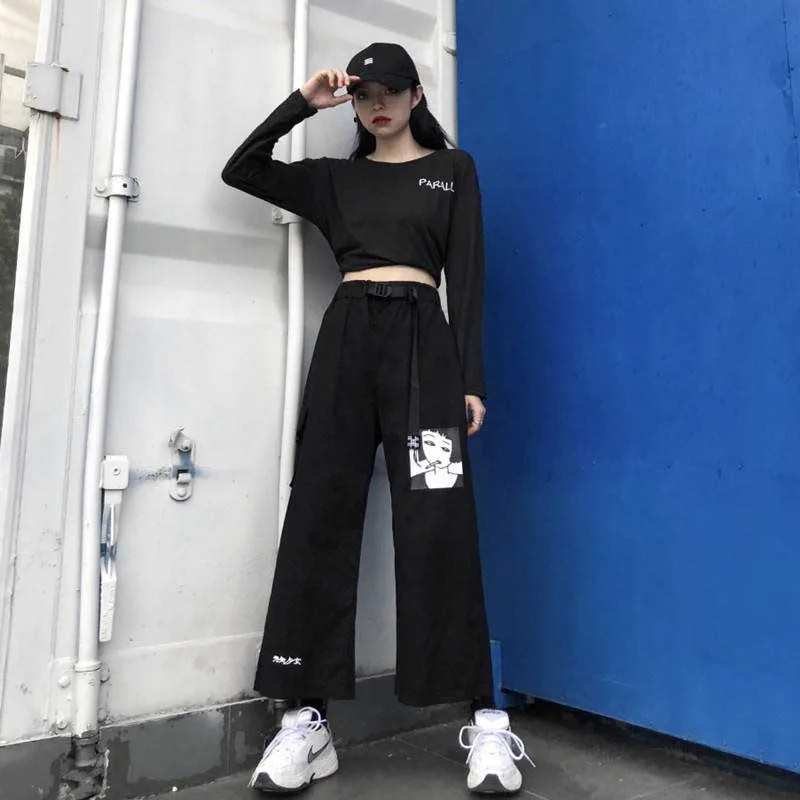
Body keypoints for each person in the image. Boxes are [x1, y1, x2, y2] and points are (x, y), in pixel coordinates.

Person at [221, 42, 533, 795]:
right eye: (363, 95)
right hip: (348, 344)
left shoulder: (452, 171)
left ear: (416, 94)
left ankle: (484, 717)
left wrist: (470, 380)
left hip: (425, 350)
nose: (376, 105)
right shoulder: (335, 178)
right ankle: (306, 720)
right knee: (320, 512)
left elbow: (469, 276)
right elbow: (243, 169)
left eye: (389, 91)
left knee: (439, 515)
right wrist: (303, 103)